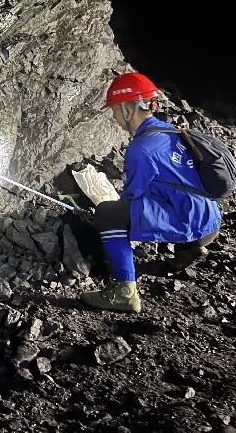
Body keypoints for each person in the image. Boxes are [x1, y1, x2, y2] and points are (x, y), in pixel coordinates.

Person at [80, 72, 221, 312]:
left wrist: (107, 223)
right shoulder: (169, 130)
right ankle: (189, 250)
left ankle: (124, 293)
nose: (114, 117)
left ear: (128, 109)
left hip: (192, 222)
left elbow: (130, 199)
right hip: (211, 220)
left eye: (114, 110)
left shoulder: (141, 149)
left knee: (108, 214)